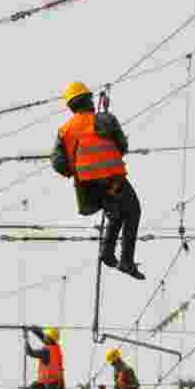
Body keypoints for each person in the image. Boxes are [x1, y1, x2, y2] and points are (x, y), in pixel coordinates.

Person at [51, 82, 145, 280]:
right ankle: (126, 260)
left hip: (88, 185)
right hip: (112, 180)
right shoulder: (105, 119)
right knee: (133, 211)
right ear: (88, 100)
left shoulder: (64, 130)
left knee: (116, 214)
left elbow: (58, 163)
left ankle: (107, 253)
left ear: (71, 106)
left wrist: (75, 170)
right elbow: (122, 146)